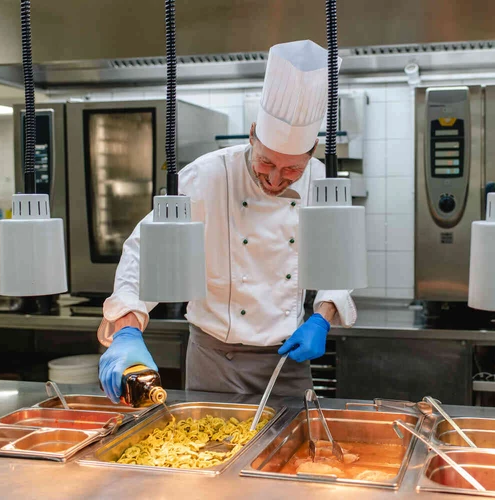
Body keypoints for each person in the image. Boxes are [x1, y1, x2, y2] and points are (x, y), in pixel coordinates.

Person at [97, 40, 357, 402]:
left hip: (288, 361)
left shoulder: (322, 183)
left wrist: (322, 318)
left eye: (291, 169)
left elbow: (339, 262)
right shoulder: (207, 175)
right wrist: (127, 329)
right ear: (252, 135)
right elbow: (147, 251)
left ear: (312, 153)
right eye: (267, 162)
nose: (275, 179)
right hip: (215, 361)